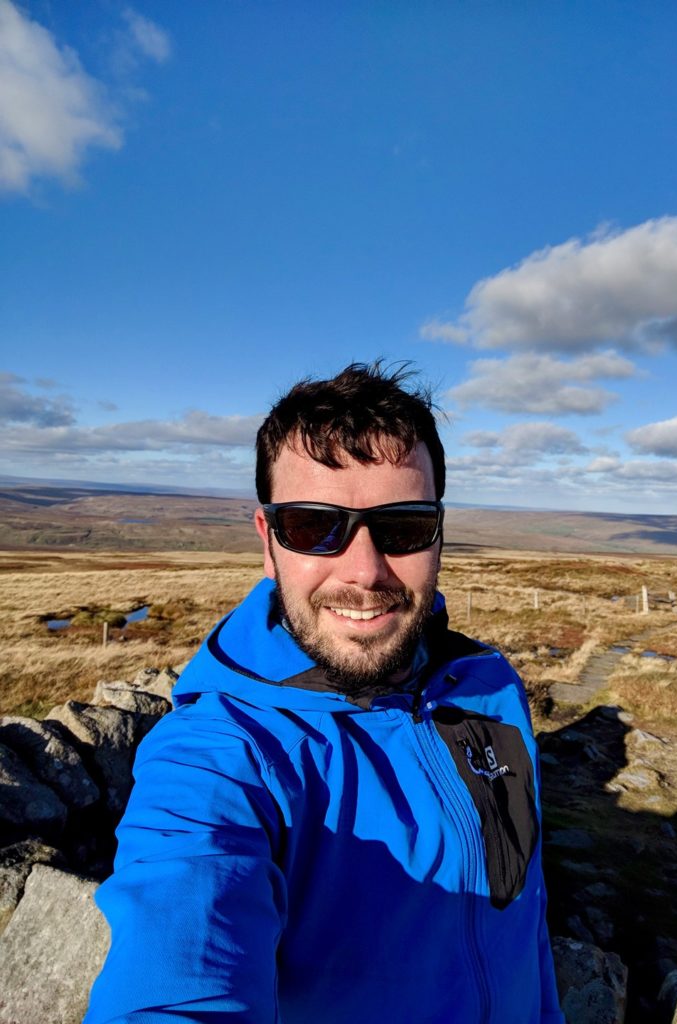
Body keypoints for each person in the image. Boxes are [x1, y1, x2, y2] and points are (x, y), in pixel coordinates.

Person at [86, 362, 564, 1024]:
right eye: (314, 525)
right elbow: (179, 960)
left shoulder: (490, 685)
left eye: (401, 527)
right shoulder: (222, 755)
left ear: (438, 534)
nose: (365, 570)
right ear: (268, 541)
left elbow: (522, 918)